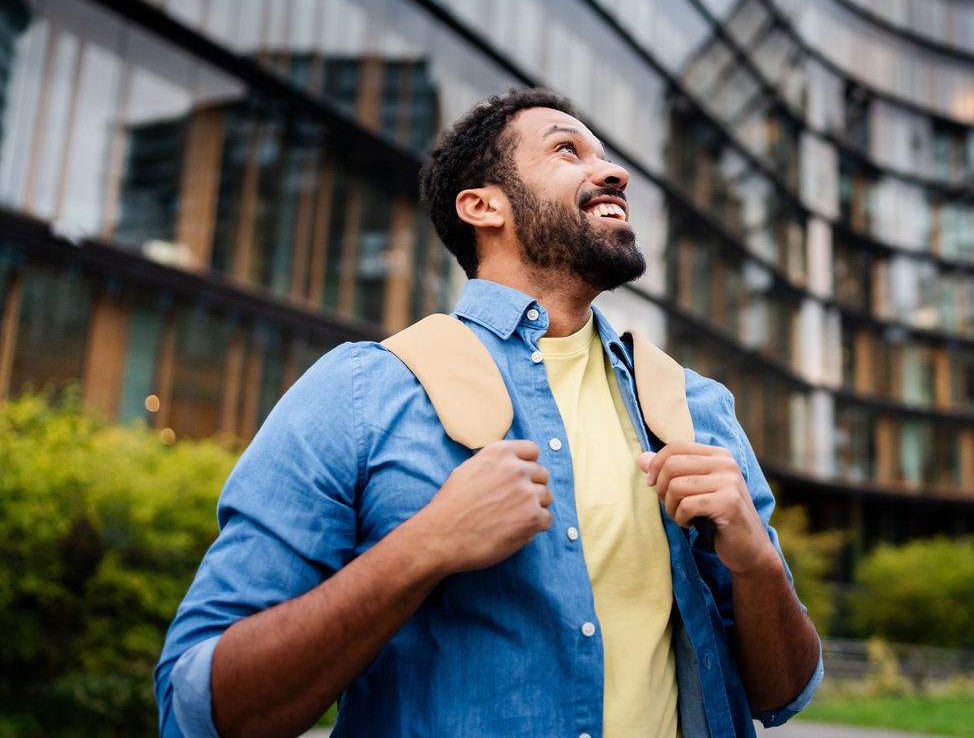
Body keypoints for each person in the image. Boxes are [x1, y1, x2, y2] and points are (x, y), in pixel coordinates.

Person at [155, 87, 822, 737]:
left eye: (607, 156)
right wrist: (422, 549)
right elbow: (199, 710)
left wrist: (757, 563)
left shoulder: (694, 407)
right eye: (569, 151)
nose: (614, 171)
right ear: (482, 206)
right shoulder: (362, 393)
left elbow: (782, 694)